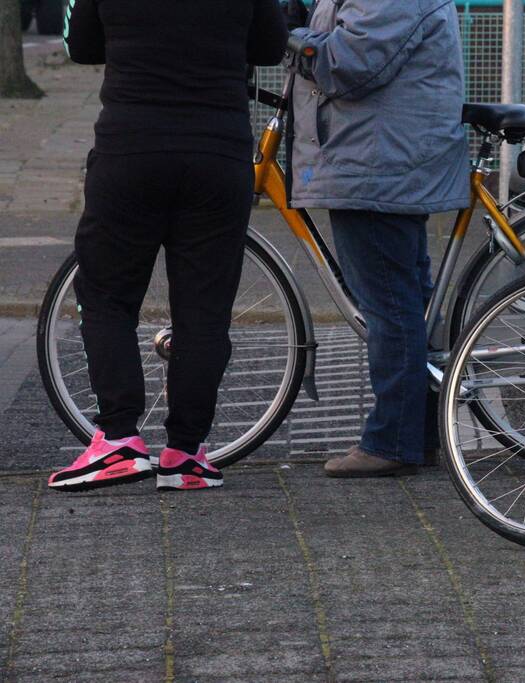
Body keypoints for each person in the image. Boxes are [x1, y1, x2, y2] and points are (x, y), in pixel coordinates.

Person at [49, 0, 288, 492]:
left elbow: (80, 45)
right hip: (217, 153)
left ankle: (117, 439)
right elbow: (270, 44)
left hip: (130, 149)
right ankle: (185, 454)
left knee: (107, 297)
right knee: (205, 310)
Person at [289, 0, 469, 477]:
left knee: (391, 307)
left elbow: (347, 64)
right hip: (381, 157)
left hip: (376, 165)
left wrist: (294, 38)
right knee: (408, 305)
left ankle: (392, 441)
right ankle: (422, 435)